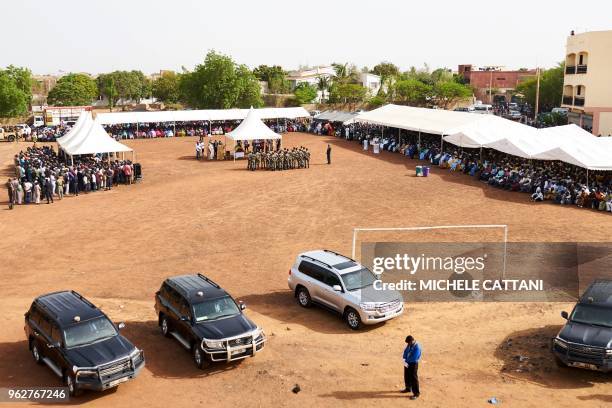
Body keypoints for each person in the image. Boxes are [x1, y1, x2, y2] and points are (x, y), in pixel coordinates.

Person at [401, 335, 421, 400]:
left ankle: (416, 393)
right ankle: (408, 388)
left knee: (413, 378)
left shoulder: (417, 347)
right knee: (406, 376)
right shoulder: (409, 344)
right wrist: (404, 358)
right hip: (407, 363)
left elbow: (414, 357)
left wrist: (406, 361)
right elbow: (405, 351)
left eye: (408, 343)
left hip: (413, 364)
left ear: (412, 341)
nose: (408, 344)